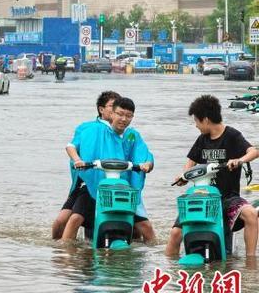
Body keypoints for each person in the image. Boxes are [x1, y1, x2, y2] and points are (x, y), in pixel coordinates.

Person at [165, 95, 259, 257]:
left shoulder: (232, 136)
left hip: (228, 198)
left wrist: (239, 160)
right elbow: (189, 164)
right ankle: (170, 268)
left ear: (206, 120)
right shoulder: (202, 140)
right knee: (175, 234)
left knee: (251, 213)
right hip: (201, 198)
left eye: (196, 121)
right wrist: (183, 177)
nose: (195, 125)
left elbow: (254, 151)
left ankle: (250, 262)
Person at [61, 97, 155, 242]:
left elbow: (145, 155)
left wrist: (146, 165)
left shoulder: (132, 135)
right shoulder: (93, 129)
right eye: (120, 114)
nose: (123, 119)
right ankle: (65, 255)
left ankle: (156, 256)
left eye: (128, 116)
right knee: (74, 220)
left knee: (145, 227)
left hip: (124, 187)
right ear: (111, 113)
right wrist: (78, 160)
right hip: (94, 184)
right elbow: (71, 146)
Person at [51, 90, 121, 240]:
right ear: (101, 109)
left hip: (106, 183)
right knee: (59, 221)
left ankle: (69, 253)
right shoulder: (86, 127)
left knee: (76, 219)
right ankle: (59, 253)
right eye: (112, 106)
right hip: (85, 180)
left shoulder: (122, 131)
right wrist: (77, 160)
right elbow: (71, 146)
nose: (116, 110)